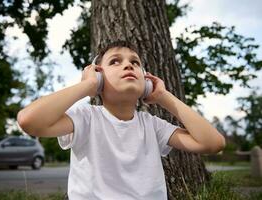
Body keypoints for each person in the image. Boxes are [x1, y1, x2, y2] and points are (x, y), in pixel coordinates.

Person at [17, 40, 226, 199]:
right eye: (115, 61)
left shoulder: (152, 125)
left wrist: (164, 97)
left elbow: (212, 143)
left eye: (135, 62)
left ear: (146, 82)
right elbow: (29, 121)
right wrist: (86, 87)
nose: (128, 65)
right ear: (98, 78)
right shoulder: (86, 118)